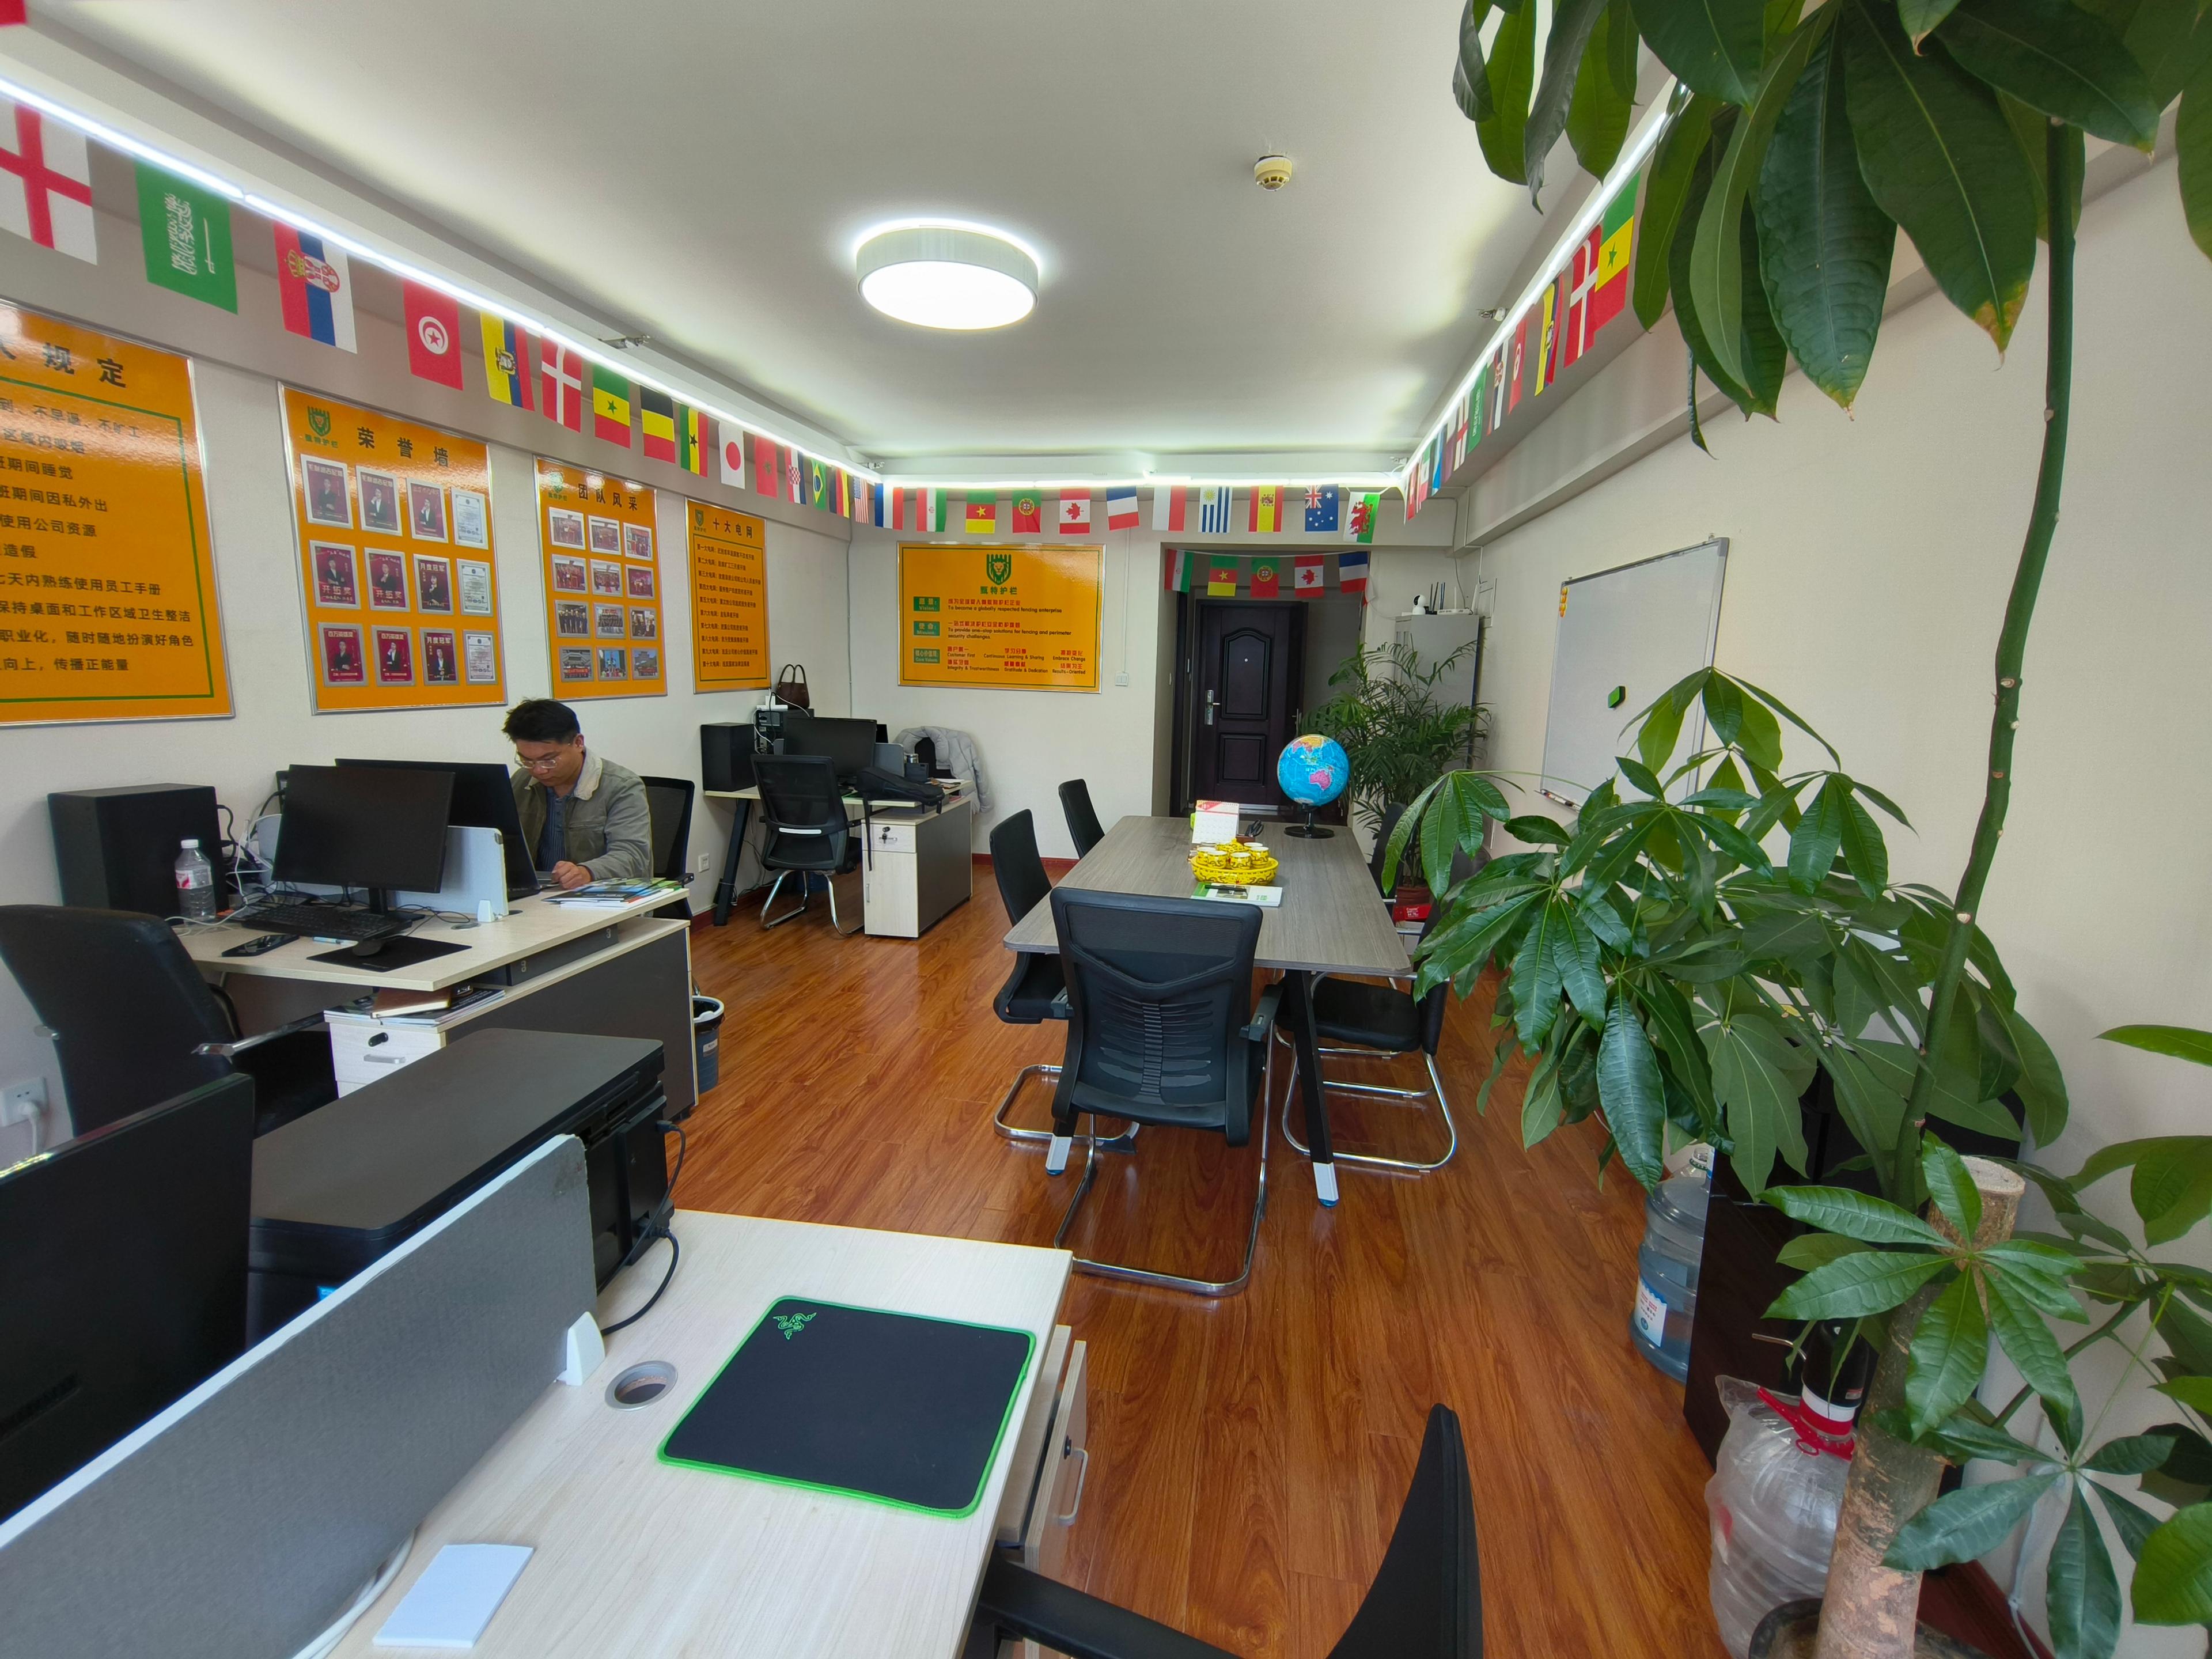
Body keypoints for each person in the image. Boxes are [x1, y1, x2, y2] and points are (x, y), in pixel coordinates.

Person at [504, 698, 653, 889]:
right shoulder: (522, 782)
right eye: (527, 761)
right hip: (541, 895)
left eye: (549, 760)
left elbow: (633, 855)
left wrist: (587, 872)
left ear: (578, 743)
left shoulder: (622, 787)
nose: (539, 770)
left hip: (605, 897)